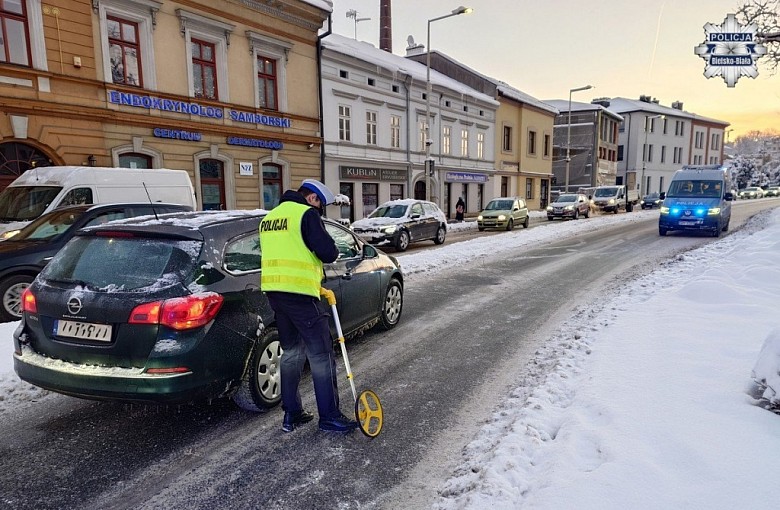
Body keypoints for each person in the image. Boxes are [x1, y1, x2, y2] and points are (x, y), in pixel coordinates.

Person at [259, 178, 359, 434]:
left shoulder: (269, 218)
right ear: (312, 198)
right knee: (321, 354)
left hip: (276, 295)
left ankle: (292, 414)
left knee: (291, 353)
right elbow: (329, 252)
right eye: (320, 206)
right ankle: (329, 416)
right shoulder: (305, 214)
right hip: (301, 296)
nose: (319, 212)